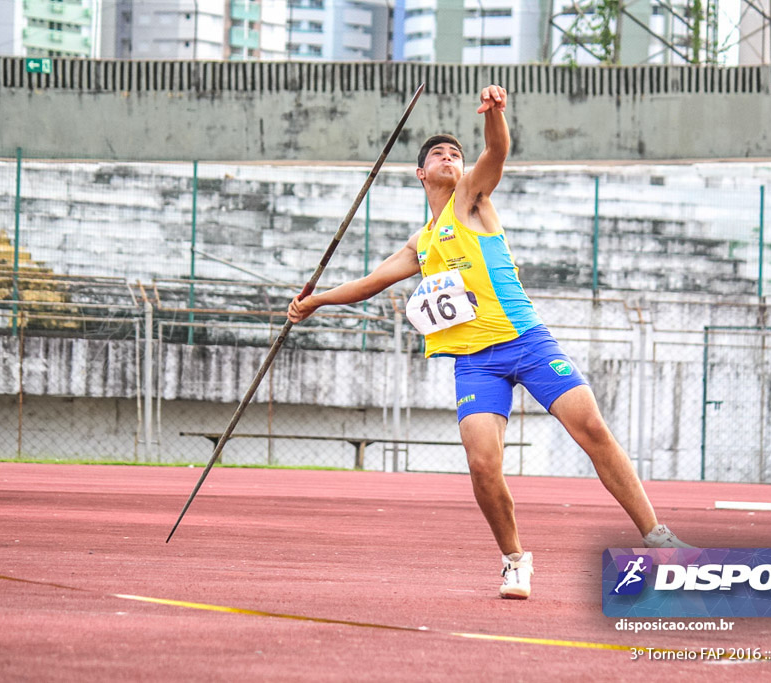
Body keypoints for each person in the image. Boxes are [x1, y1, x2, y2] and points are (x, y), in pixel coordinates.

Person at [288, 84, 690, 601]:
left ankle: (657, 536)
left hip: (527, 341)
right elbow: (370, 283)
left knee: (591, 427)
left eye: (454, 152)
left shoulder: (471, 200)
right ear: (420, 173)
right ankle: (515, 560)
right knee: (483, 464)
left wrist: (496, 114)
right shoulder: (422, 242)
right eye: (438, 153)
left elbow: (496, 152)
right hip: (476, 362)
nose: (448, 157)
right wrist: (315, 300)